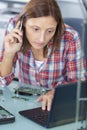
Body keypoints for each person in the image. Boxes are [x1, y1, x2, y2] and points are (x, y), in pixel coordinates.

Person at [0, 0, 86, 111]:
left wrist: (55, 93)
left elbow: (79, 82)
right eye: (35, 29)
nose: (42, 39)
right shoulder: (14, 28)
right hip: (24, 102)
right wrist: (9, 53)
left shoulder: (70, 37)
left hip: (57, 104)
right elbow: (3, 82)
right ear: (23, 23)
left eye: (50, 31)